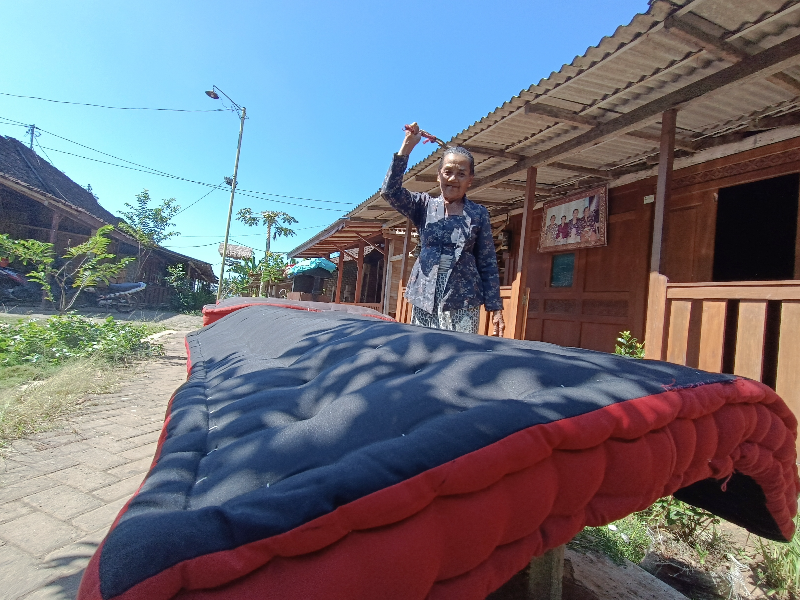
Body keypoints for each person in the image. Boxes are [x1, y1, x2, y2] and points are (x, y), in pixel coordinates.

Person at [381, 122, 505, 336]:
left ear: (470, 180)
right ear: (438, 175)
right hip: (423, 296)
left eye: (461, 174)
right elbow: (390, 192)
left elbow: (487, 262)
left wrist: (495, 307)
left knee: (458, 355)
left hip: (462, 300)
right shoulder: (423, 206)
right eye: (447, 172)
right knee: (421, 352)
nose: (453, 178)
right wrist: (406, 148)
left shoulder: (478, 214)